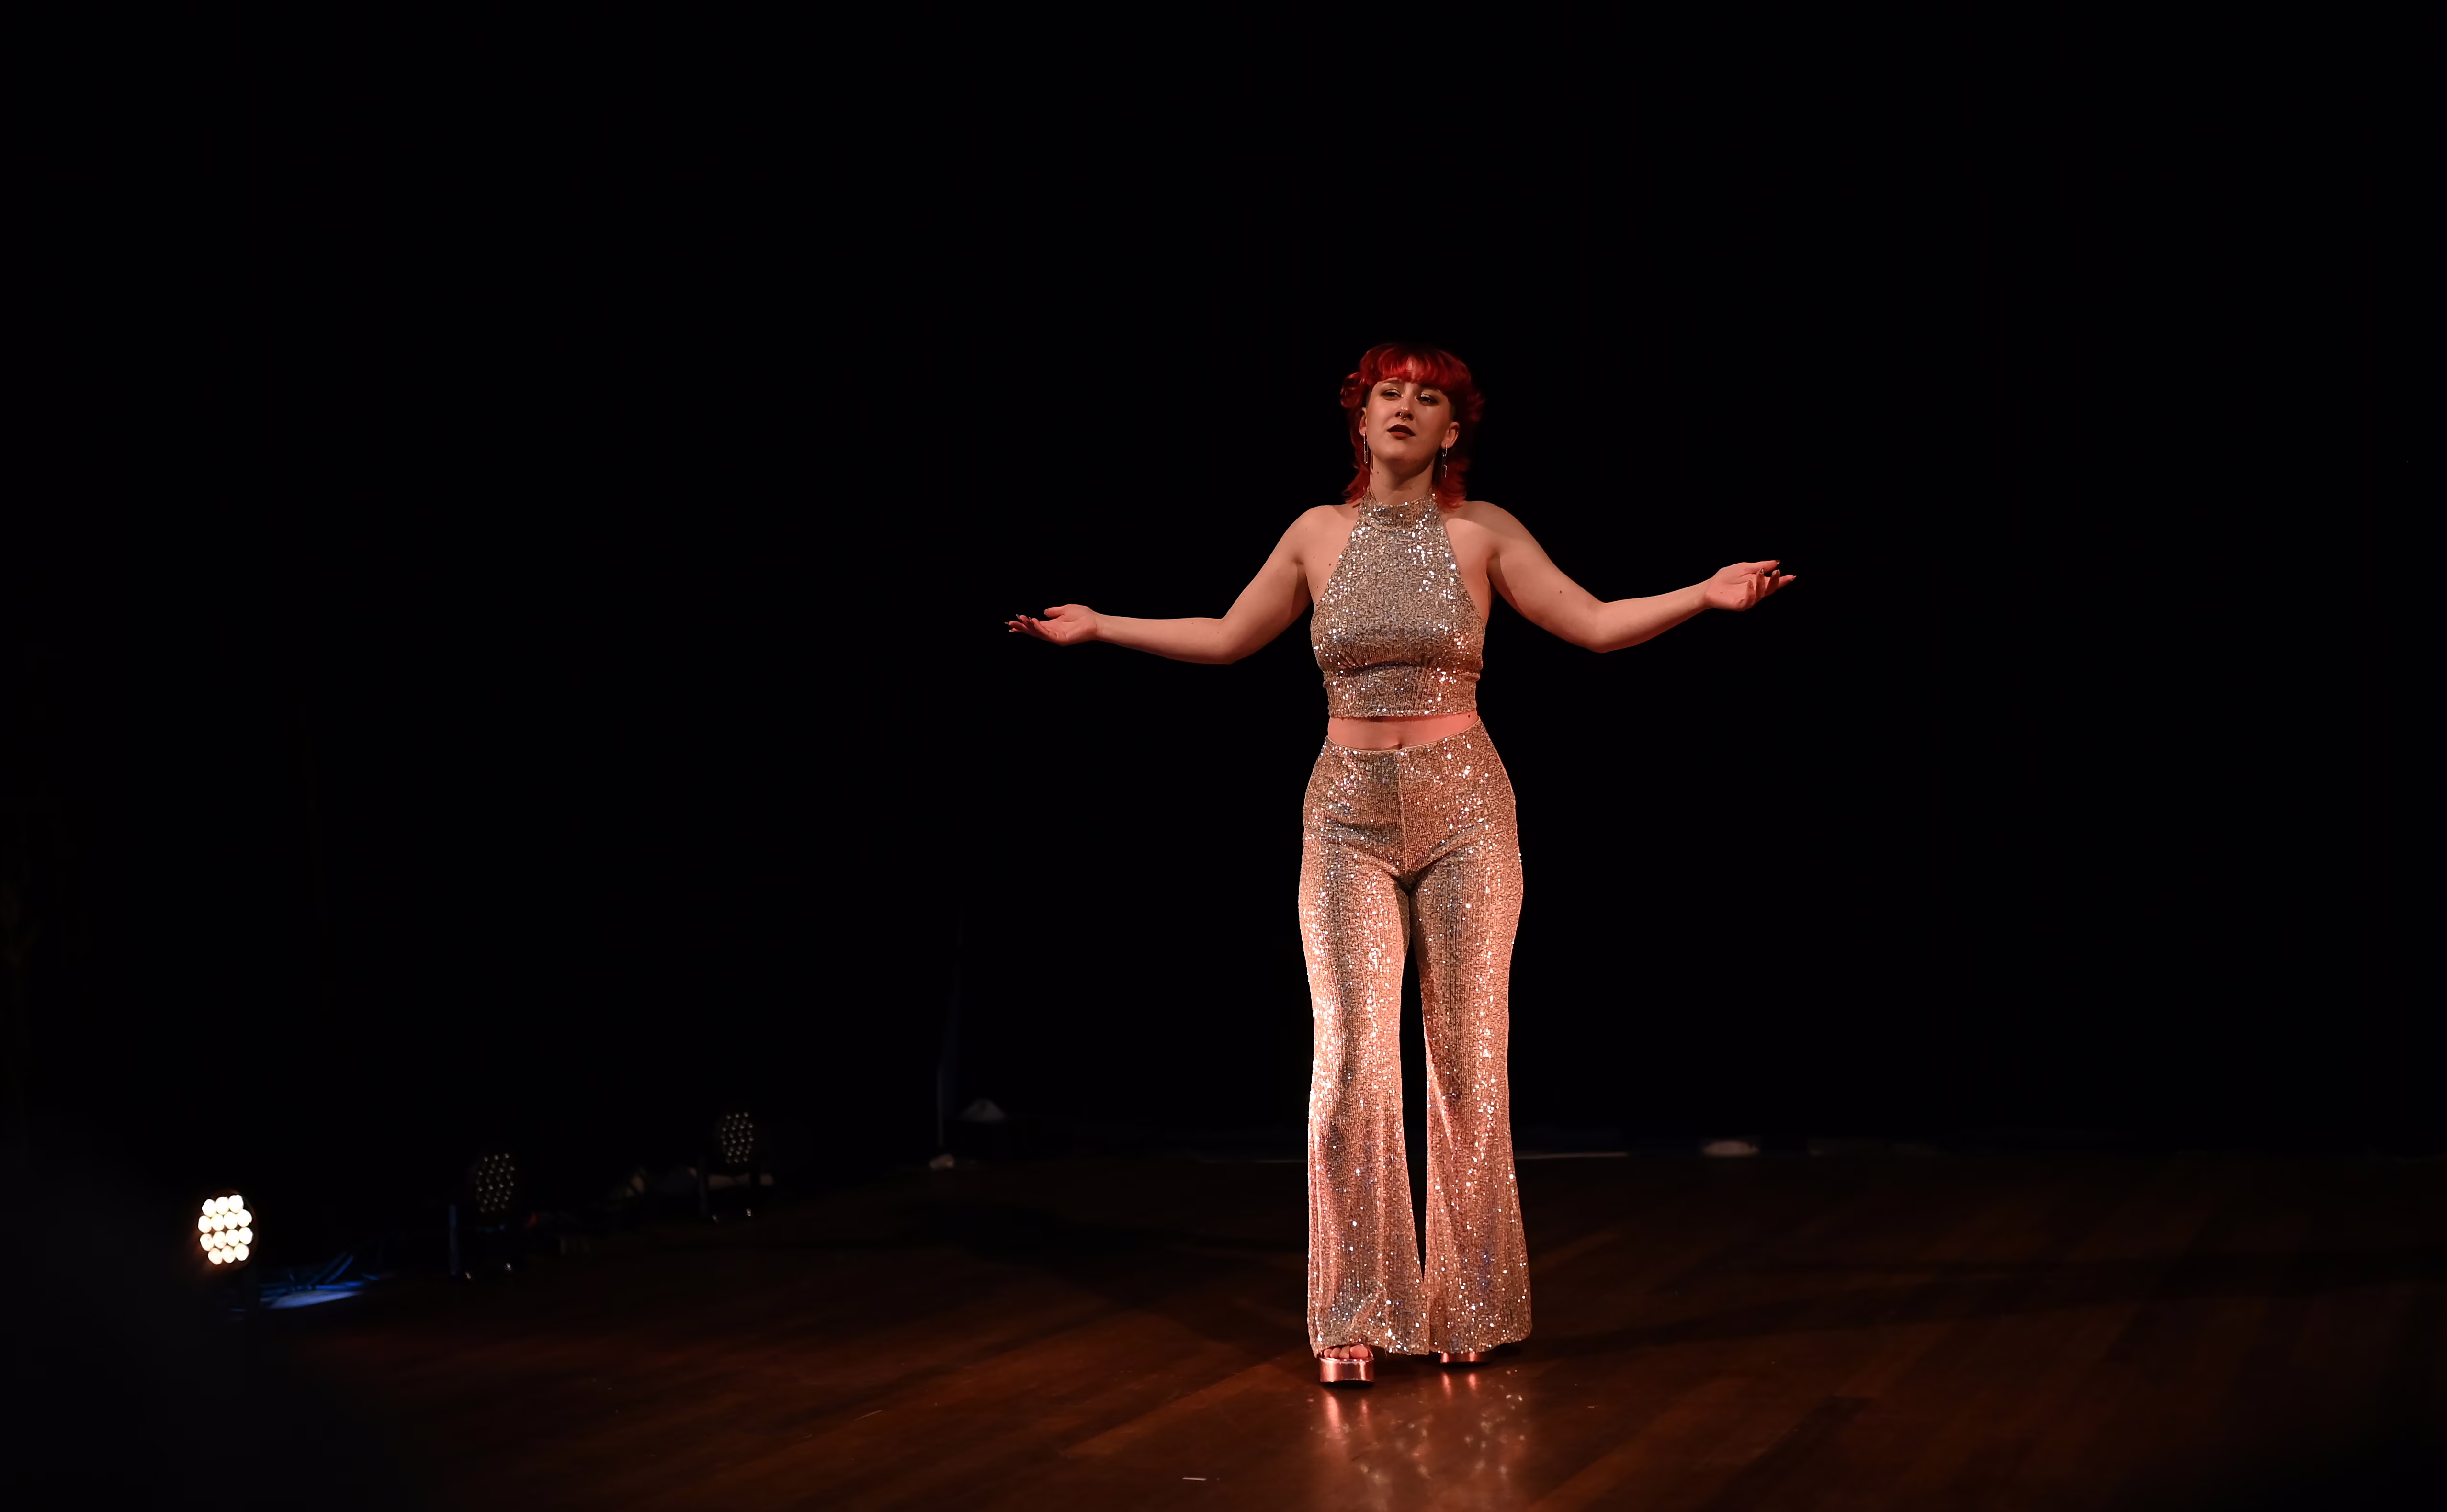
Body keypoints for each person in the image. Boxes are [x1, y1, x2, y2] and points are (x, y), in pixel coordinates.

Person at [1009, 342, 1793, 1384]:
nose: (1405, 408)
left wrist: (1702, 593)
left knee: (1467, 1058)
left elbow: (1594, 624)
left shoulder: (1482, 531)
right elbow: (1231, 635)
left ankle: (1470, 1299)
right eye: (1389, 392)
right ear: (1359, 414)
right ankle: (1357, 1309)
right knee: (1347, 1062)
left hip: (1466, 809)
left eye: (1428, 399)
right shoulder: (1315, 533)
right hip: (1344, 814)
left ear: (1451, 430)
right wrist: (1101, 625)